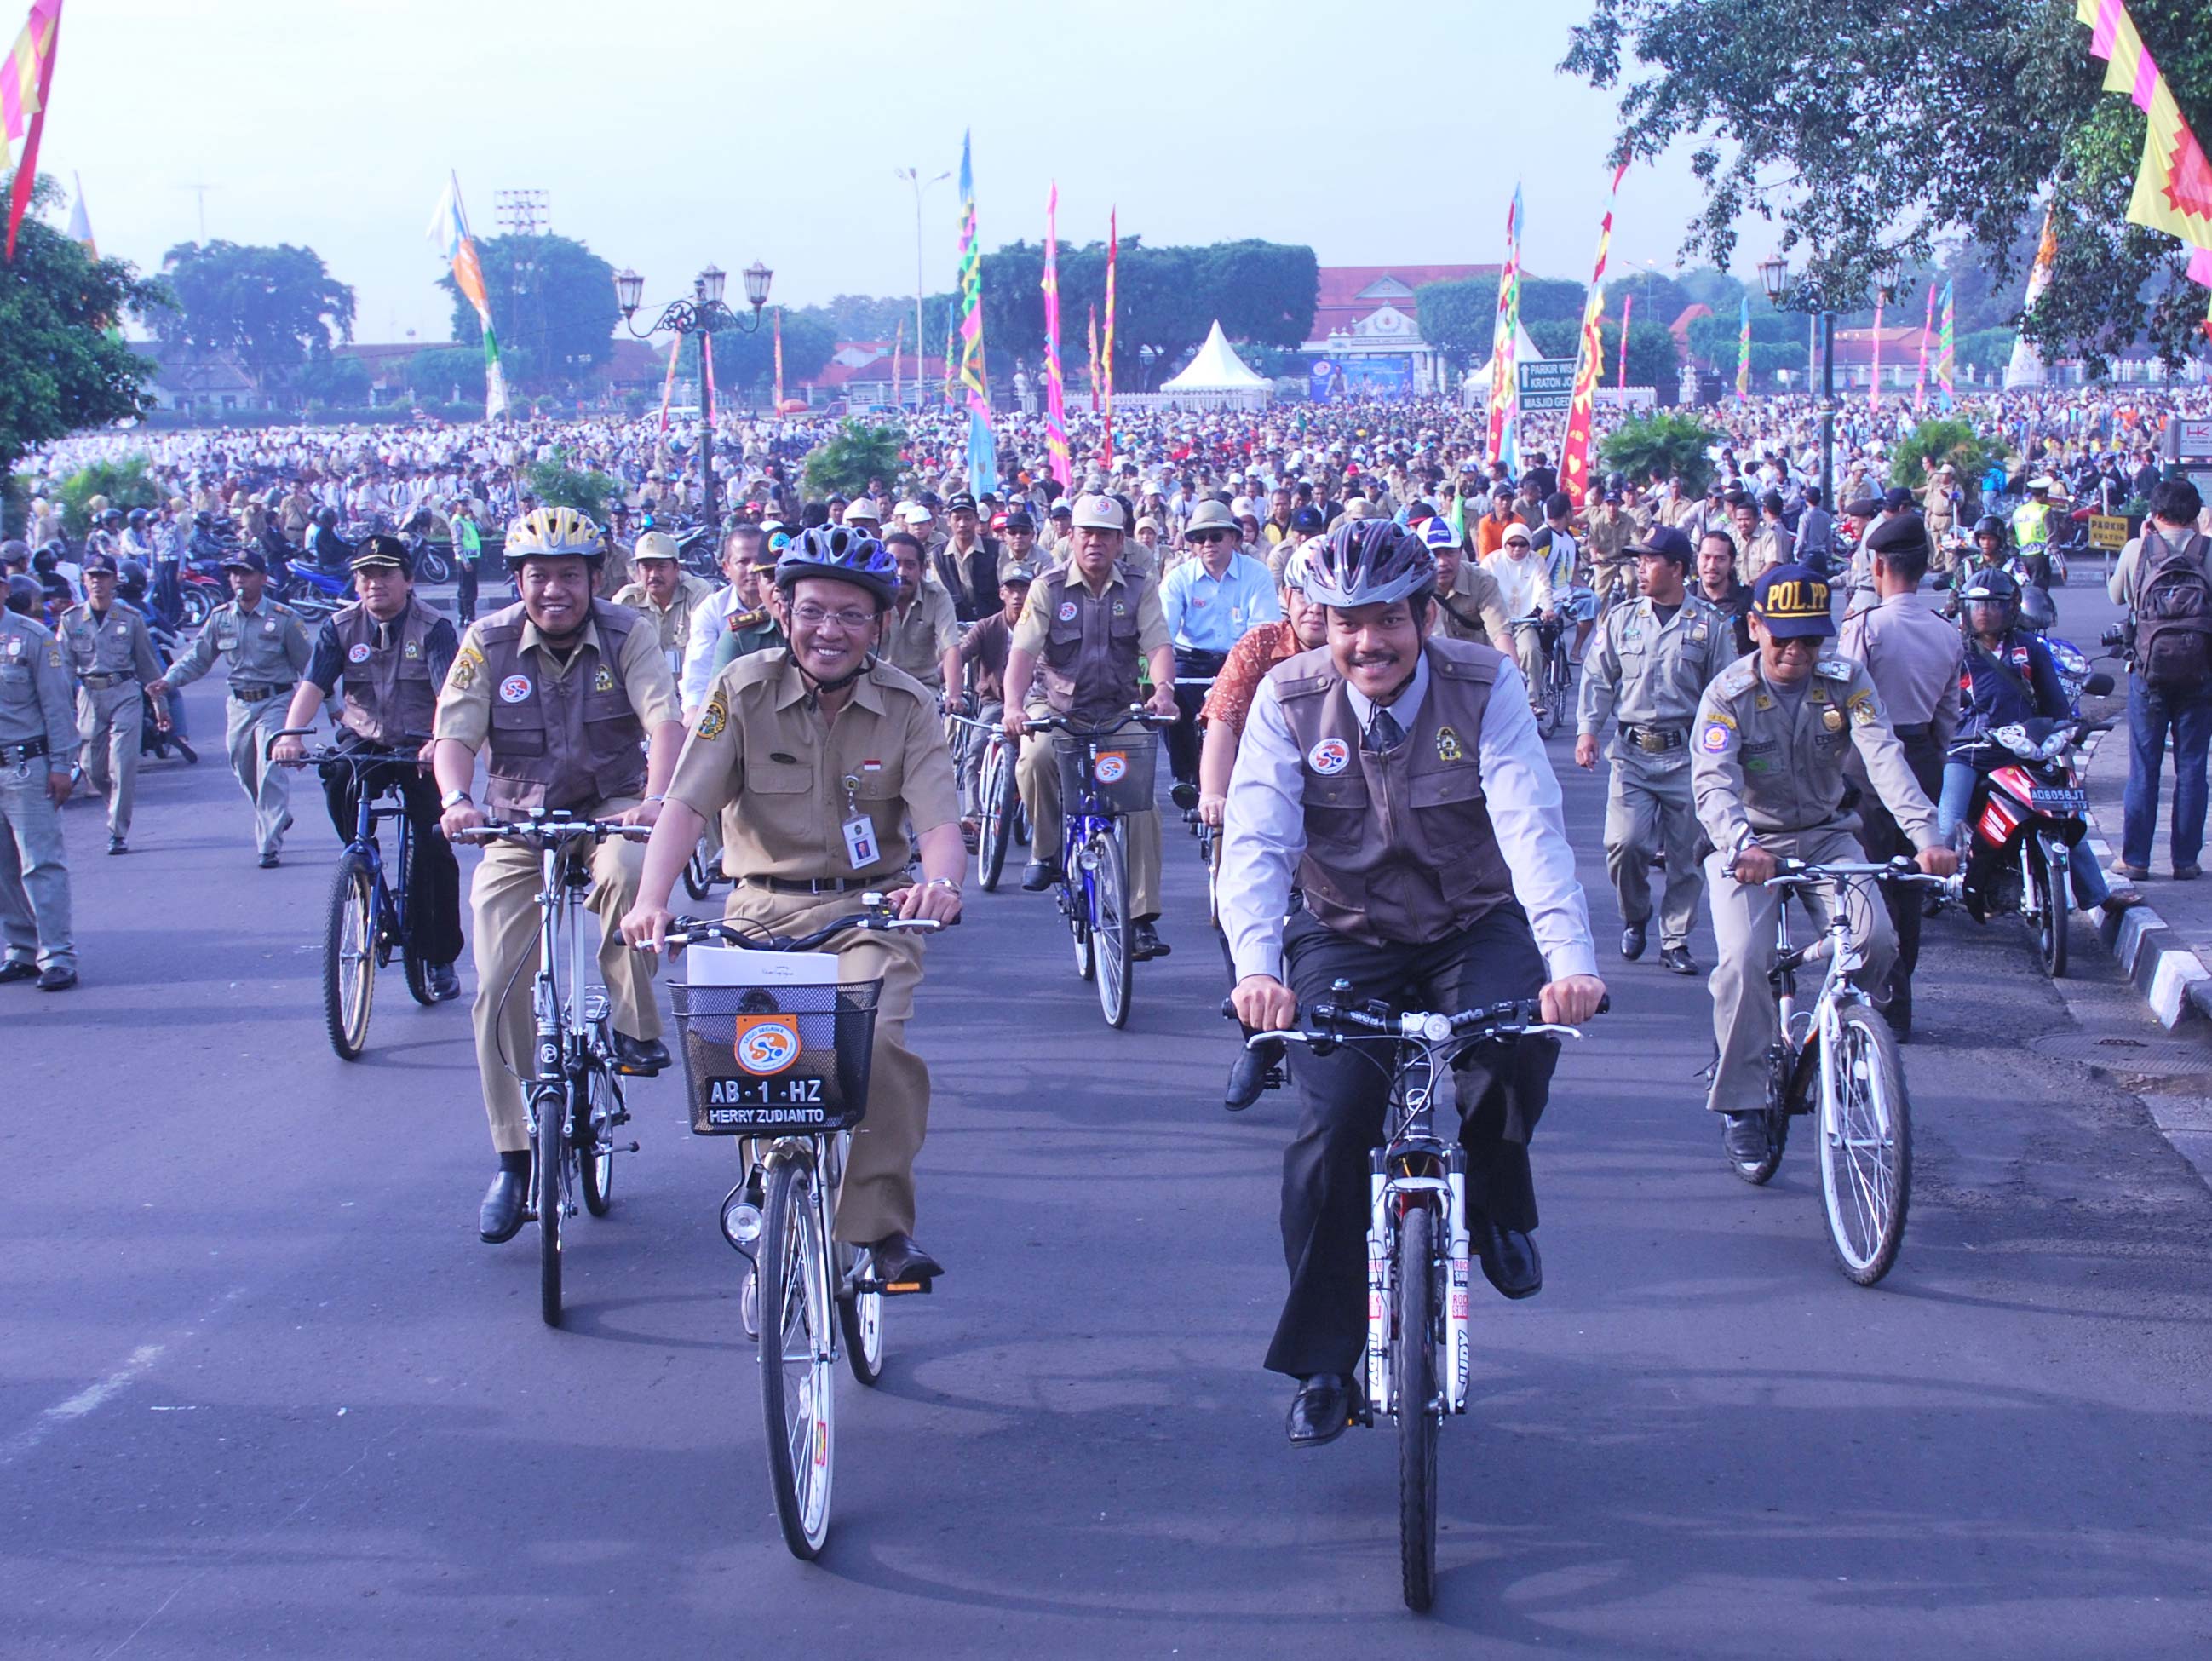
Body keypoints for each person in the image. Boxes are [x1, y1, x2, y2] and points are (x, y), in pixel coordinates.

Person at [1219, 518, 1604, 1446]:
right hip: (1341, 932)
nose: (1366, 643)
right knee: (1333, 1122)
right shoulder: (1286, 695)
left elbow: (1529, 824)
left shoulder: (1485, 683)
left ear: (1424, 617)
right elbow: (1258, 841)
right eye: (1345, 622)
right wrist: (1256, 971)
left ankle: (1498, 1207)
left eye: (1386, 619)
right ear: (1320, 622)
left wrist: (1571, 963)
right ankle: (1322, 1364)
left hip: (1470, 919)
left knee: (1515, 1050)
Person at [619, 526, 964, 1288]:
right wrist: (651, 901)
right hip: (758, 911)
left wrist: (938, 887)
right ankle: (768, 1185)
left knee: (868, 1048)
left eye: (849, 615)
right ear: (783, 611)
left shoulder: (909, 705)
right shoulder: (739, 690)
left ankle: (880, 1230)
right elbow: (685, 804)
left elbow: (940, 823)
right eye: (813, 611)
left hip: (870, 914)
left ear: (878, 625)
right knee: (755, 1064)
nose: (828, 631)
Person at [432, 506, 683, 1244]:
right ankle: (513, 1155)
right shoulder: (487, 641)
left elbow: (664, 720)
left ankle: (635, 1027)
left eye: (568, 575)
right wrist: (455, 800)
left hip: (611, 809)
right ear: (518, 581)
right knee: (497, 981)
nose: (553, 590)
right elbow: (453, 733)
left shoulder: (627, 635)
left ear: (593, 579)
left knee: (631, 872)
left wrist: (656, 799)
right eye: (537, 576)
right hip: (517, 822)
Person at [1691, 564, 1956, 1168]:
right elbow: (1712, 785)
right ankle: (1741, 1104)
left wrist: (1926, 835)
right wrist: (1738, 845)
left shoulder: (1846, 681)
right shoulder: (1727, 694)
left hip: (1827, 837)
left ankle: (1849, 1045)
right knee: (1743, 962)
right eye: (1781, 636)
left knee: (1876, 937)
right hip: (1749, 846)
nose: (1794, 651)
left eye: (1808, 639)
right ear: (1753, 627)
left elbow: (1883, 756)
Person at [271, 535, 464, 1001]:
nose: (374, 583)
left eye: (385, 574)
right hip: (365, 739)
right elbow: (314, 685)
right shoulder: (339, 627)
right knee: (337, 774)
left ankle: (438, 956)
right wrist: (291, 734)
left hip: (421, 742)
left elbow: (449, 697)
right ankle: (363, 864)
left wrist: (440, 741)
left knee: (436, 842)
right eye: (365, 575)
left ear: (408, 580)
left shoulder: (433, 627)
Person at [1002, 492, 1179, 961]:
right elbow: (1023, 650)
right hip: (1056, 707)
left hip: (1118, 710)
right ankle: (1046, 851)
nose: (1095, 542)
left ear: (1121, 541)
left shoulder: (1140, 586)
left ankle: (1139, 918)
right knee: (1035, 758)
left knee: (1141, 801)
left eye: (1105, 534)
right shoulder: (1048, 586)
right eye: (1086, 533)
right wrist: (1014, 705)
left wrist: (1162, 691)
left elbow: (1158, 642)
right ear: (1071, 537)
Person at [1575, 526, 1736, 974]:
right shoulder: (1623, 618)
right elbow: (1598, 677)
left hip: (1687, 756)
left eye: (1649, 561)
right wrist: (1588, 730)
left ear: (1677, 569)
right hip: (1631, 755)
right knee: (1624, 845)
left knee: (1687, 857)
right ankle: (1635, 914)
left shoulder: (1709, 626)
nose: (1640, 568)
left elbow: (1725, 694)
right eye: (1638, 561)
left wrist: (1723, 755)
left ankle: (1675, 938)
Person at [1837, 517, 1967, 1040]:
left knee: (1869, 878)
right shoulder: (1947, 631)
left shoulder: (1865, 627)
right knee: (1911, 880)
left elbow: (1842, 699)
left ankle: (1884, 995)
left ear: (1879, 566)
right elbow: (1949, 716)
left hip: (1867, 762)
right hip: (1920, 755)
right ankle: (1898, 991)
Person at [1939, 564, 2133, 912]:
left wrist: (2070, 727)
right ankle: (1931, 891)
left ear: (2011, 608)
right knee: (1945, 824)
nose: (1985, 613)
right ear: (1966, 609)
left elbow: (2054, 701)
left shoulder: (2030, 648)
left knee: (2063, 817)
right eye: (1978, 606)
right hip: (1968, 749)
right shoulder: (1953, 649)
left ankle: (2098, 897)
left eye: (1994, 605)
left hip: (2024, 749)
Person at [148, 549, 313, 868]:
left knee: (271, 769)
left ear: (263, 579)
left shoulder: (284, 618)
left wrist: (333, 706)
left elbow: (311, 668)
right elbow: (198, 659)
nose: (239, 579)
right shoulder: (221, 618)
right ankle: (276, 815)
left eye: (247, 572)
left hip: (276, 702)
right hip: (239, 704)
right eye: (234, 573)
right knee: (243, 767)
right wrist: (168, 682)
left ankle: (269, 843)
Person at [2106, 479, 2212, 881]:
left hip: (2148, 674)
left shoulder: (2138, 549)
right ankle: (2185, 861)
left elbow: (2117, 597)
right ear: (2195, 513)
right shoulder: (2208, 550)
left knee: (2144, 768)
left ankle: (2135, 860)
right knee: (2192, 768)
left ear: (2155, 512)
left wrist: (2140, 545)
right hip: (2200, 675)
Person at [1158, 498, 1282, 787]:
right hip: (1191, 661)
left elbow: (1263, 631)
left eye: (1216, 536)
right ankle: (1184, 776)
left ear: (1233, 538)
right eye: (1199, 538)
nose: (1208, 544)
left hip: (1240, 658)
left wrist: (1236, 672)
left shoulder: (1257, 574)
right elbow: (1163, 629)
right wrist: (1163, 682)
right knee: (1167, 701)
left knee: (1263, 708)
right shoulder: (1179, 578)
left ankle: (1248, 778)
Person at [58, 551, 171, 854]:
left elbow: (148, 665)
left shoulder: (130, 619)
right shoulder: (70, 621)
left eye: (103, 576)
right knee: (92, 768)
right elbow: (63, 672)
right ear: (84, 581)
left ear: (114, 581)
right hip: (89, 696)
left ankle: (117, 831)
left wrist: (161, 707)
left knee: (122, 764)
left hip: (124, 692)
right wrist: (60, 710)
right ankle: (116, 803)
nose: (97, 582)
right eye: (92, 576)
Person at [0, 583, 78, 990]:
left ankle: (58, 955)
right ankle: (20, 948)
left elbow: (57, 704)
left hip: (25, 766)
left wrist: (62, 764)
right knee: (3, 868)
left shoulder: (32, 637)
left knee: (40, 862)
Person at [953, 561, 1036, 836]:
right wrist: (945, 683)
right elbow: (960, 655)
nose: (1017, 596)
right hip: (995, 703)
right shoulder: (986, 627)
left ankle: (1046, 816)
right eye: (1011, 589)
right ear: (1002, 593)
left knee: (1047, 754)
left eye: (1023, 589)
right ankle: (972, 815)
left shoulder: (1042, 626)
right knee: (974, 752)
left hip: (1033, 702)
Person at [679, 523, 770, 716]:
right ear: (726, 568)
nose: (753, 568)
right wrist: (694, 715)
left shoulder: (787, 604)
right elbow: (699, 671)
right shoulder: (711, 611)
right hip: (729, 708)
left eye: (759, 560)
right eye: (743, 561)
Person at [612, 529, 715, 679]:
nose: (653, 574)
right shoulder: (626, 601)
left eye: (661, 567)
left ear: (677, 569)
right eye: (646, 567)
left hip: (690, 687)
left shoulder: (697, 592)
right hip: (644, 689)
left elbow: (704, 654)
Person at [1482, 522, 1553, 711]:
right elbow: (1480, 590)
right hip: (1496, 621)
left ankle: (1531, 701)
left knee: (1531, 650)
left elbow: (1544, 588)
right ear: (1504, 544)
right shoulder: (1491, 562)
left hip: (1524, 620)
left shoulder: (1536, 561)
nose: (1517, 549)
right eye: (1512, 544)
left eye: (1523, 544)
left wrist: (1548, 609)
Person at [1424, 517, 1514, 655]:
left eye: (1449, 553)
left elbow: (1500, 633)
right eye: (1435, 554)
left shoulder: (1482, 581)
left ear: (1461, 552)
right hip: (1433, 664)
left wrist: (1512, 673)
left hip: (1478, 662)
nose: (1442, 562)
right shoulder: (1413, 588)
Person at [930, 491, 1000, 622]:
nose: (962, 524)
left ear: (977, 519)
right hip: (954, 624)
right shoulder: (937, 555)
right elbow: (937, 596)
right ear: (948, 521)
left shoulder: (996, 550)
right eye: (957, 519)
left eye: (968, 518)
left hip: (992, 623)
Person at [1695, 529, 1756, 656]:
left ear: (1732, 562)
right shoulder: (1684, 596)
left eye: (1720, 559)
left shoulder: (1749, 600)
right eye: (1706, 557)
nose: (1711, 565)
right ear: (1697, 558)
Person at [451, 499, 484, 625]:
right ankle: (468, 616)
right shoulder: (457, 522)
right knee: (466, 589)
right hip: (464, 559)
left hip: (474, 557)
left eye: (467, 505)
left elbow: (482, 531)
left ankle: (464, 616)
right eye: (463, 505)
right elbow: (457, 543)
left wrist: (475, 519)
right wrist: (465, 561)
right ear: (456, 507)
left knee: (471, 588)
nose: (466, 508)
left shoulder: (468, 521)